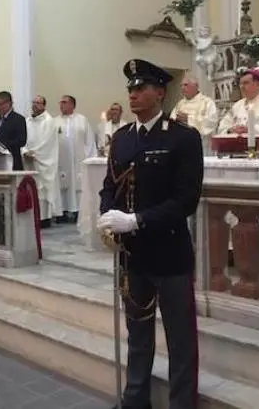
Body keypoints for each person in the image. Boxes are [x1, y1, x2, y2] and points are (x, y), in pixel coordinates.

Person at [97, 59, 203, 409]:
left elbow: (186, 201)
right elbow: (109, 186)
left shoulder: (183, 138)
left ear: (160, 92)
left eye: (141, 88)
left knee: (180, 340)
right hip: (134, 256)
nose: (133, 94)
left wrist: (137, 220)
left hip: (170, 255)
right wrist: (106, 216)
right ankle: (135, 400)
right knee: (138, 334)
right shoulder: (122, 138)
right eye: (130, 88)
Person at [55, 95, 97, 223]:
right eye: (60, 102)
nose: (61, 105)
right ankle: (61, 212)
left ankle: (78, 210)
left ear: (73, 105)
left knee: (79, 184)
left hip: (79, 160)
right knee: (62, 183)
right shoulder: (54, 121)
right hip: (61, 161)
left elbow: (89, 141)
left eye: (65, 102)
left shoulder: (82, 120)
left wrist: (90, 159)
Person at [22, 95, 61, 228]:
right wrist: (25, 151)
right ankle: (32, 216)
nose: (35, 105)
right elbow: (24, 138)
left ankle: (43, 218)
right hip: (28, 160)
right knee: (31, 187)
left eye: (38, 103)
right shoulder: (27, 120)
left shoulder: (49, 121)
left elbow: (47, 142)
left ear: (44, 105)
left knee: (42, 190)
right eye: (33, 102)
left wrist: (34, 153)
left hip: (42, 161)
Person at [170, 72, 218, 154]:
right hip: (181, 146)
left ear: (196, 86)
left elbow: (211, 123)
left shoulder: (207, 102)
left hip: (201, 146)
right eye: (181, 85)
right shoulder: (180, 104)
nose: (182, 88)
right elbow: (171, 122)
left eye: (185, 85)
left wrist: (188, 119)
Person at [0, 91, 28, 170]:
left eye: (0, 104)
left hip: (12, 161)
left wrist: (2, 146)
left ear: (9, 103)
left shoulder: (18, 119)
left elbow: (22, 140)